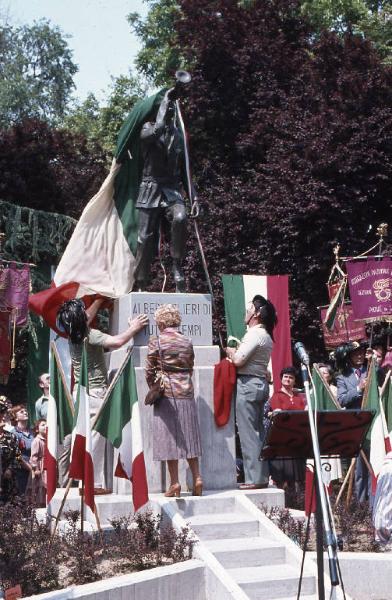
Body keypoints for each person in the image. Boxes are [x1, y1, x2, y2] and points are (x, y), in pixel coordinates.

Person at [56, 297, 149, 489]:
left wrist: (98, 301)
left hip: (80, 394)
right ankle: (93, 483)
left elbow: (84, 318)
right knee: (95, 439)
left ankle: (85, 481)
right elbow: (117, 342)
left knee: (83, 437)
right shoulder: (91, 335)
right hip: (95, 393)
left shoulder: (73, 335)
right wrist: (134, 327)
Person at [133, 86, 197, 293]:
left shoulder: (178, 136)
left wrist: (193, 197)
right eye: (166, 107)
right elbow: (158, 128)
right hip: (150, 187)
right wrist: (166, 98)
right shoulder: (148, 129)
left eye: (171, 108)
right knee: (144, 238)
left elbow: (185, 170)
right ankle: (141, 281)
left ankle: (177, 267)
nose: (170, 110)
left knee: (180, 218)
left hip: (171, 189)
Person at [145, 304, 202, 497]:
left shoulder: (157, 341)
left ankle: (175, 484)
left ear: (160, 322)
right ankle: (197, 479)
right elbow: (191, 364)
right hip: (186, 390)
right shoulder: (187, 340)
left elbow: (149, 370)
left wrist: (154, 386)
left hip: (167, 393)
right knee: (190, 436)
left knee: (170, 439)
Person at [226, 295, 277, 490]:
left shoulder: (255, 334)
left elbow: (238, 360)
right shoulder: (265, 335)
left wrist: (230, 351)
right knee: (258, 432)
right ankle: (260, 476)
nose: (246, 313)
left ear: (256, 314)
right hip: (258, 384)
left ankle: (254, 478)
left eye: (249, 310)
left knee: (249, 433)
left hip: (248, 385)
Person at [336, 342, 370, 503]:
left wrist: (374, 361)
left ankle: (374, 502)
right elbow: (342, 400)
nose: (359, 356)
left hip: (373, 424)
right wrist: (358, 389)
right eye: (356, 353)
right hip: (356, 425)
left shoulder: (371, 370)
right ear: (350, 356)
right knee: (359, 468)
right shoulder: (343, 376)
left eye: (362, 353)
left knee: (374, 464)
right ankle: (361, 504)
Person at [267, 367, 306, 489]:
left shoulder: (299, 397)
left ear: (294, 381)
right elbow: (278, 415)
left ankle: (297, 501)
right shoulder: (277, 396)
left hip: (298, 439)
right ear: (281, 379)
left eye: (291, 377)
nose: (288, 379)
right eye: (286, 377)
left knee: (298, 475)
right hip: (282, 440)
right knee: (284, 475)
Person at [0, 398, 22, 504]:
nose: (2, 416)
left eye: (3, 413)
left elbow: (17, 456)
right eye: (1, 413)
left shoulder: (11, 437)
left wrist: (10, 469)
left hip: (8, 483)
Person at [9, 404, 33, 497]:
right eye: (21, 412)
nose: (25, 412)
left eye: (26, 411)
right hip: (21, 472)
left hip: (35, 470)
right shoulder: (13, 433)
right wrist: (29, 468)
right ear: (15, 417)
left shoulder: (32, 432)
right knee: (22, 497)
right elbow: (16, 454)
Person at [30, 420, 47, 507]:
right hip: (41, 466)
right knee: (41, 486)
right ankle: (41, 504)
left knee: (47, 485)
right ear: (37, 429)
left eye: (46, 425)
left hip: (48, 465)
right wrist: (36, 468)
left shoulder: (48, 439)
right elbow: (34, 456)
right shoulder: (37, 441)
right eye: (43, 425)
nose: (45, 426)